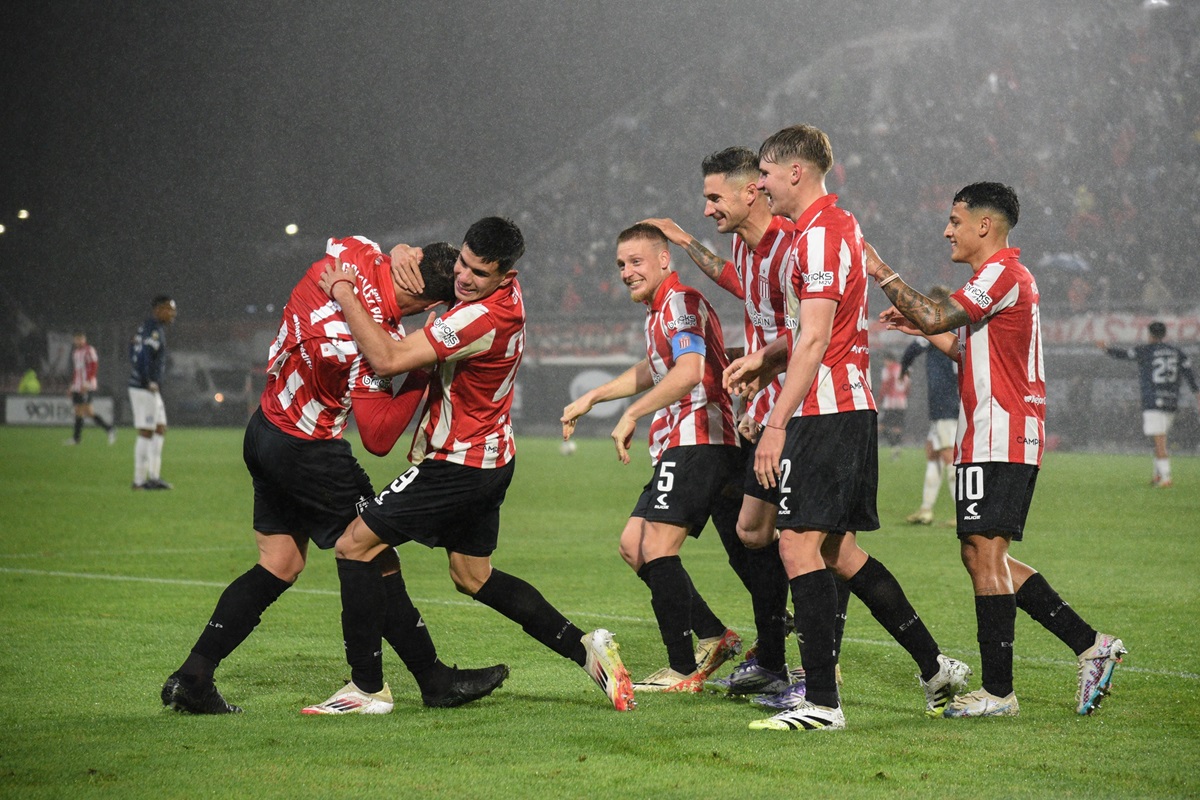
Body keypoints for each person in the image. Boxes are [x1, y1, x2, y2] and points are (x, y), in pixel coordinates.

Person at [162, 236, 508, 715]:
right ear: (432, 305)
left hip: (264, 429)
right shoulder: (371, 341)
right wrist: (423, 367)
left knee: (280, 563)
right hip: (309, 452)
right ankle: (426, 680)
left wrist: (398, 250)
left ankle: (194, 676)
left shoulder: (354, 255)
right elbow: (378, 436)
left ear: (411, 259)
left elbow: (347, 244)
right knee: (373, 552)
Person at [305, 217, 636, 714]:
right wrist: (403, 250)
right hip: (491, 458)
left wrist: (345, 292)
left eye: (479, 273)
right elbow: (442, 282)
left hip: (457, 464)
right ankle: (586, 650)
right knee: (472, 575)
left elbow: (389, 359)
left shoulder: (479, 319)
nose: (463, 277)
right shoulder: (506, 296)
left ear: (505, 276)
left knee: (354, 546)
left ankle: (366, 689)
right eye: (462, 263)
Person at [725, 124, 970, 731]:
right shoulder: (832, 228)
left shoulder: (819, 235)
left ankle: (823, 703)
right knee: (839, 551)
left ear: (795, 172)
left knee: (796, 546)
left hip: (826, 411)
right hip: (838, 408)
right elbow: (814, 331)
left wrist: (776, 423)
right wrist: (765, 359)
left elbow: (814, 340)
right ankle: (935, 666)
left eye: (766, 173)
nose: (761, 184)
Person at [867, 181, 1126, 717]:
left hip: (1000, 432)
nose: (947, 231)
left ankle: (999, 692)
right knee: (981, 554)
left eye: (955, 221)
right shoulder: (996, 281)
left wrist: (880, 271)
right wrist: (922, 327)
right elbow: (967, 352)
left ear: (984, 225)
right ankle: (1091, 645)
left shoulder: (1002, 272)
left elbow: (938, 315)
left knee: (986, 554)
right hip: (986, 432)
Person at [639, 146, 802, 705]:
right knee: (749, 537)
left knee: (816, 546)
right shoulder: (745, 248)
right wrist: (686, 241)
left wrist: (763, 366)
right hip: (762, 413)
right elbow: (735, 282)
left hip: (807, 411)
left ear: (751, 189)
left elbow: (813, 331)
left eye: (714, 197)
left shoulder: (791, 242)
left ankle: (818, 672)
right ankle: (774, 657)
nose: (707, 207)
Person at [561, 222, 744, 693]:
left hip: (700, 439)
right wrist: (594, 397)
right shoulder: (657, 312)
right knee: (632, 545)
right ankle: (714, 635)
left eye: (636, 261)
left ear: (664, 260)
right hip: (680, 443)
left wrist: (631, 413)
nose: (626, 272)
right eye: (621, 264)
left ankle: (682, 670)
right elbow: (655, 368)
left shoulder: (681, 302)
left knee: (659, 547)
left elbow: (689, 371)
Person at [1097, 321, 1198, 487]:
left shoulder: (1146, 350)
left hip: (1153, 400)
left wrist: (1106, 348)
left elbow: (1124, 354)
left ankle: (1166, 477)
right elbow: (1190, 375)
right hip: (1171, 400)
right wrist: (1197, 395)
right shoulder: (1177, 352)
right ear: (1164, 334)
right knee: (1160, 438)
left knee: (1159, 440)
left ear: (1150, 334)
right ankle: (1157, 475)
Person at [900, 290, 960, 524]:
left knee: (949, 457)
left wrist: (904, 368)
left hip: (945, 403)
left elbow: (913, 348)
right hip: (945, 402)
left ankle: (962, 513)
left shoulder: (936, 327)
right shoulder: (955, 329)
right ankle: (926, 510)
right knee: (933, 453)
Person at [128, 295, 176, 489]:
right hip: (144, 387)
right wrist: (147, 380)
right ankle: (139, 481)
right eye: (169, 309)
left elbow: (131, 348)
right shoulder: (153, 330)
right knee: (146, 431)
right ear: (158, 310)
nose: (172, 313)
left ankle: (154, 478)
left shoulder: (148, 328)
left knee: (160, 427)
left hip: (149, 387)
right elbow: (142, 356)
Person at [64, 331, 116, 446]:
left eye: (80, 339)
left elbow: (94, 366)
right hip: (78, 386)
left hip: (86, 385)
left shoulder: (89, 350)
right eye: (76, 339)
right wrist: (72, 386)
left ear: (84, 339)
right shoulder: (75, 352)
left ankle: (108, 429)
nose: (78, 341)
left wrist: (87, 382)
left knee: (84, 411)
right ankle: (107, 429)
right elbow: (76, 371)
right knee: (82, 411)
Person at [878, 351, 910, 461]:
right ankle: (896, 448)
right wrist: (903, 396)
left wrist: (879, 399)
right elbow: (908, 387)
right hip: (902, 402)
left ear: (888, 360)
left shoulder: (887, 370)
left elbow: (885, 385)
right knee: (897, 427)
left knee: (881, 426)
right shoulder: (904, 369)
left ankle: (893, 446)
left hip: (890, 402)